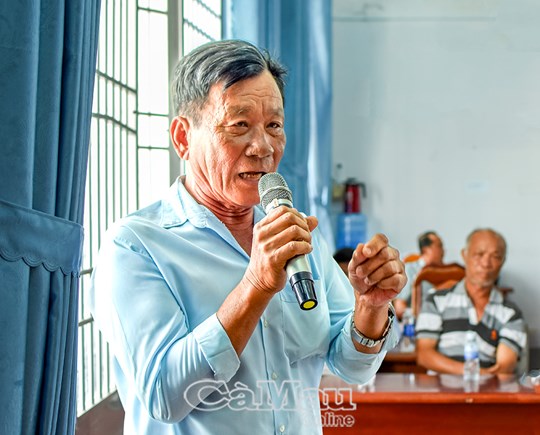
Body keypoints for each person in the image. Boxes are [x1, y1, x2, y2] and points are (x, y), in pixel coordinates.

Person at [89, 39, 406, 435]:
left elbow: (352, 367)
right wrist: (255, 286)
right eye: (239, 125)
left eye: (274, 126)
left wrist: (371, 306)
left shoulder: (294, 232)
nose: (263, 147)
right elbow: (163, 397)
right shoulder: (135, 246)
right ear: (183, 137)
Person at [416, 228, 527, 375]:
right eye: (479, 254)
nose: (486, 263)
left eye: (496, 256)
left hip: (488, 388)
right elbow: (424, 355)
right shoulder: (436, 300)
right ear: (465, 255)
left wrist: (476, 379)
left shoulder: (511, 314)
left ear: (502, 262)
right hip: (441, 388)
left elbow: (503, 367)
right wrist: (475, 374)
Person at [394, 231, 445, 319]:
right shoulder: (410, 270)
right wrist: (420, 315)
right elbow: (399, 307)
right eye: (439, 246)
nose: (443, 251)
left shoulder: (442, 273)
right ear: (426, 250)